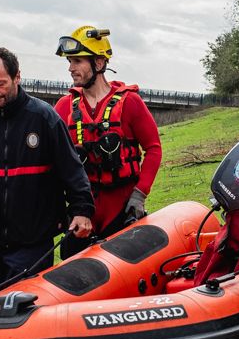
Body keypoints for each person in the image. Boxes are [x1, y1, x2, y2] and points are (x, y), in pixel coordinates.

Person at [0, 47, 94, 290]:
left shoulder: (44, 119)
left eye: (0, 84)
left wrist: (82, 209)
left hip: (33, 244)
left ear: (17, 77)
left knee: (26, 315)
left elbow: (71, 169)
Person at [52, 26, 163, 257]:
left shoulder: (130, 103)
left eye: (77, 61)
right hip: (82, 214)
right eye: (69, 62)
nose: (71, 68)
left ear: (99, 63)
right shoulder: (64, 107)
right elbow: (52, 160)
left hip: (122, 209)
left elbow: (153, 149)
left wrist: (139, 195)